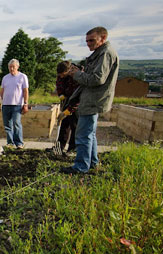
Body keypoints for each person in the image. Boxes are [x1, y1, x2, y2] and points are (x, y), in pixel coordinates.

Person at [60, 26, 119, 174]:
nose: (88, 44)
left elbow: (97, 79)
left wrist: (77, 74)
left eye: (92, 40)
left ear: (103, 38)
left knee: (83, 134)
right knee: (89, 133)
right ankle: (92, 162)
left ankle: (81, 167)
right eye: (87, 41)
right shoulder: (100, 53)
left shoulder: (105, 54)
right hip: (92, 98)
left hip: (93, 99)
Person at [0, 59, 29, 149]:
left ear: (17, 67)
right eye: (10, 67)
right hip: (5, 104)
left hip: (17, 104)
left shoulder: (22, 77)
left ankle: (19, 143)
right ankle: (10, 143)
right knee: (7, 125)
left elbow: (25, 91)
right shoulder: (5, 78)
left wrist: (25, 104)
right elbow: (2, 91)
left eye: (13, 67)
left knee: (16, 123)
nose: (12, 69)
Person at [53, 61, 79, 154]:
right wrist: (61, 94)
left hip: (75, 103)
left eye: (62, 75)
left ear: (68, 71)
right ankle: (60, 146)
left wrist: (68, 111)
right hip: (66, 99)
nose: (61, 76)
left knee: (74, 126)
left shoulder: (76, 77)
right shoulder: (61, 75)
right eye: (59, 75)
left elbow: (77, 98)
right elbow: (59, 84)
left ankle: (72, 148)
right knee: (64, 124)